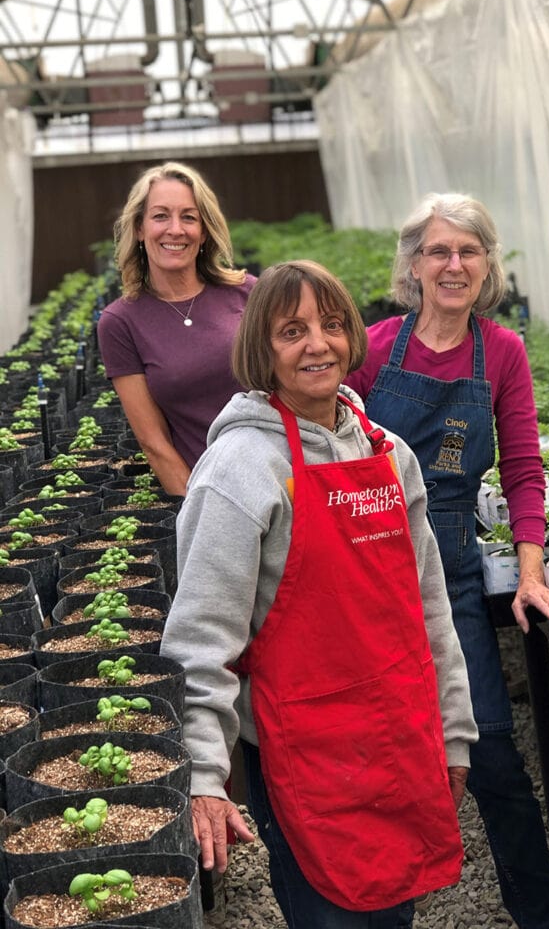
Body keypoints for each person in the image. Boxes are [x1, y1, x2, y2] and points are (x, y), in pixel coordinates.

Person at [159, 259, 478, 929]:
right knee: (331, 914)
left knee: (394, 911)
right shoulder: (242, 469)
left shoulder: (389, 456)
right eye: (292, 331)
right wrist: (206, 776)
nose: (317, 345)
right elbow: (200, 636)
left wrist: (453, 731)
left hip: (396, 734)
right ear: (261, 350)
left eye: (332, 326)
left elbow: (431, 610)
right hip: (302, 748)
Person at [343, 192, 549, 929]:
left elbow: (523, 470)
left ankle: (545, 915)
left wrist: (530, 572)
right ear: (413, 264)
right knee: (380, 749)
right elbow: (328, 451)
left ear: (486, 265)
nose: (453, 265)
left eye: (468, 251)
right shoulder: (375, 347)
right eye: (438, 251)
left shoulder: (500, 353)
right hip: (370, 554)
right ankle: (381, 907)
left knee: (493, 752)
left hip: (451, 556)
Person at [97, 161, 257, 496]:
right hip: (214, 490)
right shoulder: (120, 323)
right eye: (160, 216)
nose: (175, 229)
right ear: (140, 228)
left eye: (188, 217)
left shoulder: (250, 292)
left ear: (204, 230)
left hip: (287, 474)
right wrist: (199, 509)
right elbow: (153, 442)